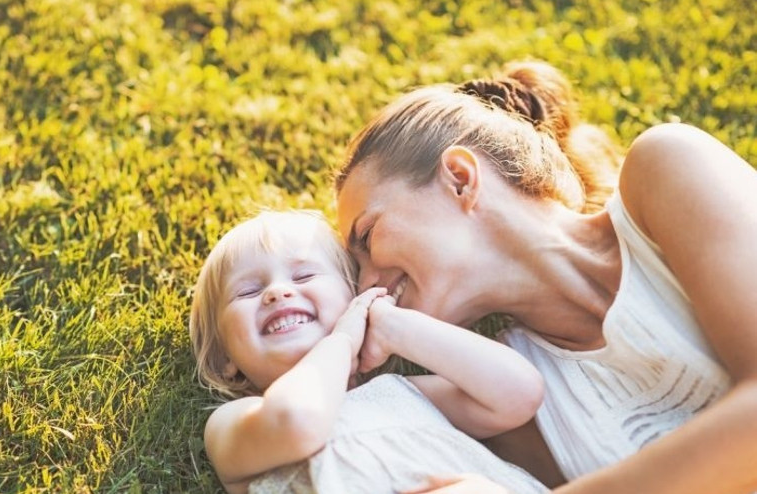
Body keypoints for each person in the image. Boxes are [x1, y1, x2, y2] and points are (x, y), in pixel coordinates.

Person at [334, 59, 757, 493]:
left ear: (459, 178)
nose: (366, 284)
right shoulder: (510, 403)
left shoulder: (668, 167)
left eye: (367, 236)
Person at [188, 209, 549, 493]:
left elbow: (519, 393)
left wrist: (395, 327)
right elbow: (297, 421)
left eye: (303, 277)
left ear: (353, 299)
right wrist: (342, 342)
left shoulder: (400, 394)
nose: (277, 292)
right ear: (225, 360)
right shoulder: (235, 421)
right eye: (248, 291)